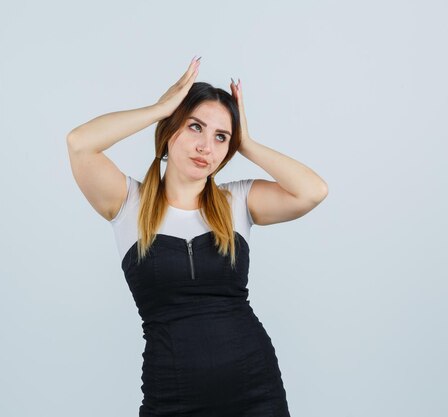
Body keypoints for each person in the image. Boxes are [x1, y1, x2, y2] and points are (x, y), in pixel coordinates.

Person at [66, 55, 328, 417]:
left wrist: (246, 142)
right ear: (170, 129)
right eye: (194, 127)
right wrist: (160, 108)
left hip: (256, 391)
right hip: (173, 399)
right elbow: (80, 143)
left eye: (221, 137)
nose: (206, 146)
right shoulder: (128, 203)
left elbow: (312, 191)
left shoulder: (237, 201)